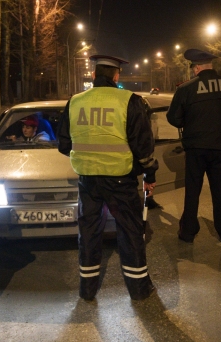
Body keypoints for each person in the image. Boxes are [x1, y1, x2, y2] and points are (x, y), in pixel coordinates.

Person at [57, 54, 158, 301]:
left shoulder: (75, 101)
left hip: (88, 180)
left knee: (89, 232)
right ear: (116, 76)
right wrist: (149, 172)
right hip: (120, 179)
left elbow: (63, 144)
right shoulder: (130, 101)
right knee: (130, 231)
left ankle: (87, 290)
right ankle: (139, 290)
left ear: (93, 75)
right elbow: (143, 145)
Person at [166, 48, 221, 244]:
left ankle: (188, 233)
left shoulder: (186, 89)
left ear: (196, 68)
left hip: (196, 148)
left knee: (192, 190)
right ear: (211, 66)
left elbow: (174, 119)